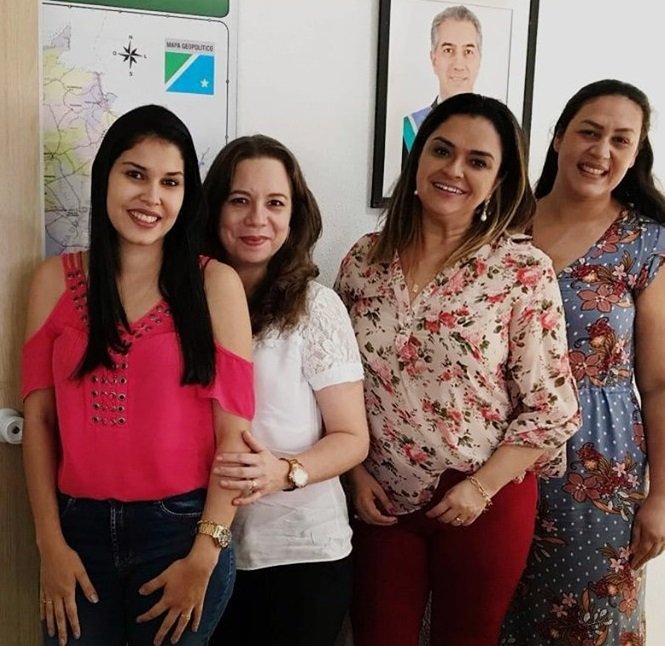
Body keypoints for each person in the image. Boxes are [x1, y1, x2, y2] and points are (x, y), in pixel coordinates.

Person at [335, 93, 580, 646]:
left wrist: (480, 488)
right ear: (418, 157)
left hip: (482, 496)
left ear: (498, 182)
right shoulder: (364, 261)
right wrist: (353, 474)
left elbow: (552, 407)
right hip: (380, 499)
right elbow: (332, 382)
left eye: (478, 161)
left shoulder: (522, 270)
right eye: (442, 151)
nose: (454, 170)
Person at [21, 104, 255, 646]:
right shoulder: (53, 281)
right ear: (105, 177)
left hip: (181, 533)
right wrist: (49, 544)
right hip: (77, 535)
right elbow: (38, 423)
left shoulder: (215, 285)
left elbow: (235, 438)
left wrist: (205, 554)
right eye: (135, 174)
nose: (152, 197)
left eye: (170, 182)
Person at [502, 79, 665, 645]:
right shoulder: (501, 225)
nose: (601, 151)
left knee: (584, 622)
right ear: (558, 137)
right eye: (589, 132)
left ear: (636, 154)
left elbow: (660, 383)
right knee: (488, 614)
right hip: (497, 450)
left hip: (599, 462)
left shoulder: (646, 243)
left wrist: (661, 497)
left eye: (621, 140)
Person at [202, 134, 369, 646]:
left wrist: (285, 472)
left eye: (275, 203)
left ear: (294, 216)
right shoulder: (183, 301)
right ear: (214, 208)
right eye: (239, 200)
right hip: (199, 547)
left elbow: (352, 438)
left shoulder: (315, 308)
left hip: (300, 555)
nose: (257, 219)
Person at [402, 5, 482, 158]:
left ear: (479, 59)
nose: (458, 65)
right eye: (448, 50)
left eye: (468, 52)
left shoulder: (495, 131)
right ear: (434, 59)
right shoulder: (411, 129)